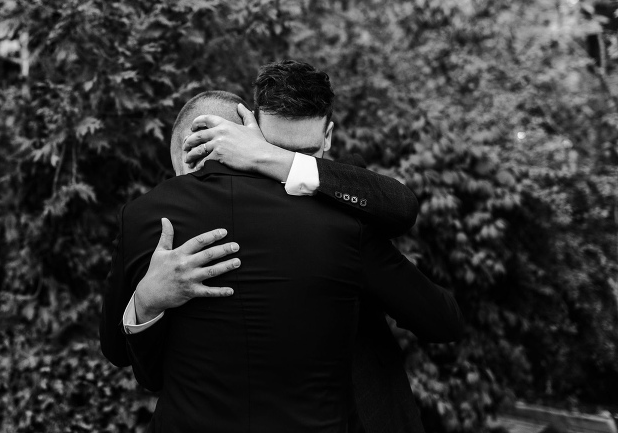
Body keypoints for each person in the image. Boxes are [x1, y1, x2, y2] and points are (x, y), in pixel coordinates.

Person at [101, 63, 463, 432]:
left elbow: (401, 207)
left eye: (302, 155)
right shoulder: (161, 221)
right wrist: (146, 299)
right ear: (251, 128)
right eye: (276, 150)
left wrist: (269, 158)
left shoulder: (341, 201)